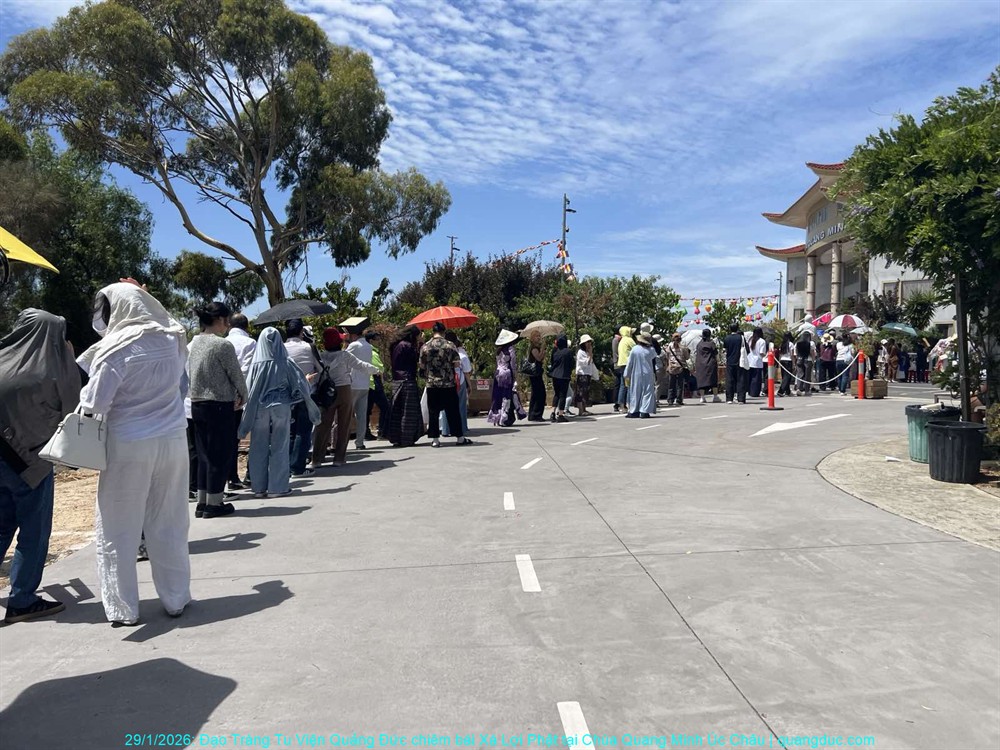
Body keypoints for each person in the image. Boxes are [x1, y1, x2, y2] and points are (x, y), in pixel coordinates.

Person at [77, 282, 191, 627]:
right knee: (170, 521)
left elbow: (95, 402)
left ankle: (123, 608)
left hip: (128, 444)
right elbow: (180, 383)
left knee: (118, 527)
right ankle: (176, 597)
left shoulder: (114, 348)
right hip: (173, 440)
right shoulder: (173, 337)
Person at [0, 310, 82, 624]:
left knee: (2, 525)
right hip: (30, 464)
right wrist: (69, 359)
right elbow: (73, 409)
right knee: (34, 531)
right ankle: (22, 600)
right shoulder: (54, 368)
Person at [239, 327, 319, 496]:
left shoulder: (256, 364)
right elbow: (300, 384)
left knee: (258, 446)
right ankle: (278, 487)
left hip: (260, 408)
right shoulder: (286, 361)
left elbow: (248, 388)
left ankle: (258, 487)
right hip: (281, 406)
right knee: (280, 446)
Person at [187, 302, 247, 519]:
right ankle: (215, 502)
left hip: (197, 403)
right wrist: (243, 394)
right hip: (219, 403)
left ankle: (202, 502)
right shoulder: (222, 345)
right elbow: (235, 374)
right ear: (220, 319)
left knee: (204, 455)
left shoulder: (194, 343)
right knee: (220, 454)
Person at [314, 328, 380, 467]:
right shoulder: (344, 355)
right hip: (344, 389)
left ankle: (317, 459)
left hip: (326, 391)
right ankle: (339, 458)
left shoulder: (320, 356)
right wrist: (376, 370)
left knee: (324, 425)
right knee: (344, 424)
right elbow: (360, 365)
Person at [419, 322, 469, 447]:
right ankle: (460, 437)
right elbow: (456, 363)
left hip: (432, 384)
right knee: (453, 411)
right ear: (443, 332)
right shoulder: (450, 345)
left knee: (433, 412)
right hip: (448, 383)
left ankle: (435, 439)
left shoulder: (425, 346)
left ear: (433, 332)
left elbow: (422, 365)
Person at [284, 319, 319, 476]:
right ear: (301, 332)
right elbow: (320, 368)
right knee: (303, 431)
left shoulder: (280, 348)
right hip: (306, 393)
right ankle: (298, 467)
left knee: (289, 432)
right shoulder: (308, 347)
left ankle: (286, 466)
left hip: (286, 395)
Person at [225, 313, 256, 490]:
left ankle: (229, 477)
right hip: (240, 398)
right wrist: (240, 395)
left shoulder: (223, 341)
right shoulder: (250, 343)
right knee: (236, 439)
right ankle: (235, 478)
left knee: (226, 439)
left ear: (230, 325)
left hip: (221, 396)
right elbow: (246, 370)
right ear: (247, 326)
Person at [388, 325, 424, 447]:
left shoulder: (396, 345)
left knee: (397, 410)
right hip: (408, 381)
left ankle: (396, 437)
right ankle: (406, 439)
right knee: (409, 412)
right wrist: (420, 345)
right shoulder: (408, 346)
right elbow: (417, 359)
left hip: (397, 380)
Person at [487, 329, 526, 427]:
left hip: (498, 374)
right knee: (507, 396)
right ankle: (505, 419)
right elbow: (513, 365)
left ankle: (497, 417)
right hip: (507, 375)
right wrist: (515, 376)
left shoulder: (499, 350)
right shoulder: (511, 349)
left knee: (498, 395)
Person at [345, 326, 374, 450]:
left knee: (346, 414)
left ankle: (341, 442)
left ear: (353, 335)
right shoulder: (369, 346)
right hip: (365, 383)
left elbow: (344, 358)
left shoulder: (353, 345)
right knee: (361, 415)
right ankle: (360, 442)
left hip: (353, 383)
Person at [441, 331, 472, 437]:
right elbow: (467, 371)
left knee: (446, 407)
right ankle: (461, 428)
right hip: (459, 382)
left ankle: (446, 429)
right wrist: (470, 385)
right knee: (460, 406)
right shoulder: (461, 355)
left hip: (445, 381)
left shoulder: (441, 353)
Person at [364, 331, 391, 441]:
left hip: (367, 383)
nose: (379, 342)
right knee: (385, 407)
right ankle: (382, 432)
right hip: (374, 382)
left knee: (367, 409)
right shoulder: (372, 353)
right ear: (371, 341)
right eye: (377, 339)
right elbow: (379, 369)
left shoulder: (365, 351)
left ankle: (366, 433)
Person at [624, 334, 657, 418]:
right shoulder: (651, 350)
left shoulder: (635, 349)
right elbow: (655, 357)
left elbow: (630, 362)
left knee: (635, 391)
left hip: (636, 372)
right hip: (648, 373)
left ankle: (634, 411)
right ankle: (645, 411)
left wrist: (626, 373)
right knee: (647, 392)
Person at [548, 334, 574, 423]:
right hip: (564, 375)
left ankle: (553, 412)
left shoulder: (555, 351)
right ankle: (560, 414)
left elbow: (552, 361)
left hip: (555, 374)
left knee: (557, 394)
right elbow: (572, 363)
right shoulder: (568, 351)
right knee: (563, 395)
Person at [524, 330, 547, 422]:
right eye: (536, 336)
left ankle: (533, 414)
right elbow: (538, 358)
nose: (538, 337)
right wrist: (542, 349)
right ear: (532, 338)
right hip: (535, 373)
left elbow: (541, 359)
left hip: (537, 372)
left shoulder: (537, 347)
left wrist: (543, 351)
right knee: (540, 393)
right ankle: (536, 414)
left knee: (536, 393)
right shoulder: (533, 348)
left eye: (539, 336)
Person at [663, 333, 691, 406]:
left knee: (671, 384)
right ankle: (678, 400)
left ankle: (670, 400)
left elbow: (667, 357)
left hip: (672, 367)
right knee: (679, 385)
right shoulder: (683, 347)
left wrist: (668, 366)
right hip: (680, 367)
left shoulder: (669, 347)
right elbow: (687, 357)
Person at [575, 334, 599, 416]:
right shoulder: (580, 352)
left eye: (590, 342)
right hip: (582, 374)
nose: (589, 344)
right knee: (581, 393)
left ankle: (584, 409)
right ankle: (581, 410)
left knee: (586, 393)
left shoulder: (586, 352)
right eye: (587, 342)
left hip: (588, 374)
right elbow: (586, 363)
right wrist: (590, 354)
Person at [695, 329, 721, 403]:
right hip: (710, 364)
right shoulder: (711, 343)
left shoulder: (699, 344)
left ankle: (702, 397)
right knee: (713, 380)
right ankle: (715, 396)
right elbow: (716, 353)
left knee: (701, 380)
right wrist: (718, 361)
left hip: (700, 364)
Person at [722, 324, 747, 404]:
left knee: (729, 380)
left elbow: (725, 350)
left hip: (730, 361)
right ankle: (741, 399)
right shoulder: (741, 338)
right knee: (741, 380)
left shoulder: (727, 338)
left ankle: (729, 398)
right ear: (737, 329)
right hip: (740, 360)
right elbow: (746, 348)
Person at [616, 326, 636, 410]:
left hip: (621, 364)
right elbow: (636, 349)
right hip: (628, 364)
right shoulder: (629, 340)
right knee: (629, 385)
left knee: (623, 385)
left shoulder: (621, 341)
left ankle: (621, 405)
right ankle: (630, 404)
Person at [747, 327, 767, 398]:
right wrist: (765, 355)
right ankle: (755, 393)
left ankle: (750, 391)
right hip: (758, 362)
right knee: (756, 379)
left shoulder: (750, 340)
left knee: (750, 378)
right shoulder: (762, 341)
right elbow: (762, 353)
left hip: (750, 361)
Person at [794, 331, 814, 396]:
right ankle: (807, 390)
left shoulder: (797, 343)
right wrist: (813, 360)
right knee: (807, 376)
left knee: (800, 375)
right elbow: (812, 352)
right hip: (808, 359)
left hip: (799, 359)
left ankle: (799, 389)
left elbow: (796, 353)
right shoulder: (810, 343)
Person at [777, 332, 795, 397]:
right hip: (788, 360)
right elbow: (792, 355)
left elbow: (780, 354)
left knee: (784, 376)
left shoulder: (782, 344)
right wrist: (793, 363)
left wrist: (779, 362)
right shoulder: (791, 344)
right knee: (787, 377)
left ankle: (788, 391)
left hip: (782, 360)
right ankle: (781, 391)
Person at [610, 328, 623, 412]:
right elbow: (617, 352)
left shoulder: (615, 339)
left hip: (616, 364)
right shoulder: (617, 340)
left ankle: (616, 403)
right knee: (621, 384)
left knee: (618, 384)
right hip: (619, 363)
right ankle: (619, 403)